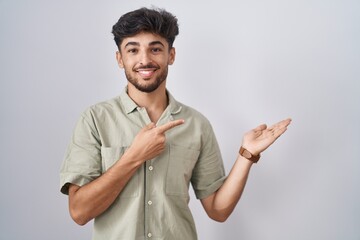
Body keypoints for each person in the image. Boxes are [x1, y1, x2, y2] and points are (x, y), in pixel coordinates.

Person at [60, 7, 291, 240]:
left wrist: (247, 155)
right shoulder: (94, 120)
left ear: (171, 55)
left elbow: (218, 210)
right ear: (120, 59)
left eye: (155, 49)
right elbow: (79, 212)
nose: (145, 60)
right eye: (133, 50)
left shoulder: (197, 125)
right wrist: (134, 156)